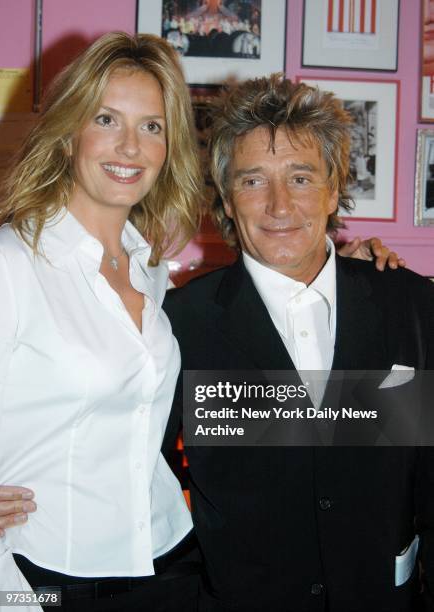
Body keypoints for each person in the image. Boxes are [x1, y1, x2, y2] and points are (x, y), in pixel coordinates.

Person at [160, 75, 434, 611]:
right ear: (227, 200)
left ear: (334, 190)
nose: (279, 206)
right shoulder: (182, 323)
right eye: (253, 181)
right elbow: (144, 475)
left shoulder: (410, 306)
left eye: (302, 178)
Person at [0, 32, 203, 612]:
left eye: (152, 127)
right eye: (107, 118)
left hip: (169, 561)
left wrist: (353, 272)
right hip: (44, 576)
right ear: (69, 135)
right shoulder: (11, 263)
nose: (130, 146)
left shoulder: (152, 270)